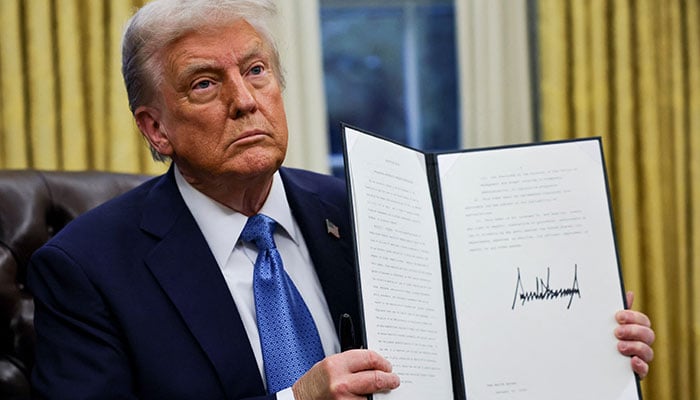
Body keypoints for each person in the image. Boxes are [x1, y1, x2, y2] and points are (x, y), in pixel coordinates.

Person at [27, 0, 655, 399]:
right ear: (155, 128)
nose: (244, 100)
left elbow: (478, 352)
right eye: (204, 83)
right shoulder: (85, 269)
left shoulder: (367, 210)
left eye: (256, 70)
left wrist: (581, 339)